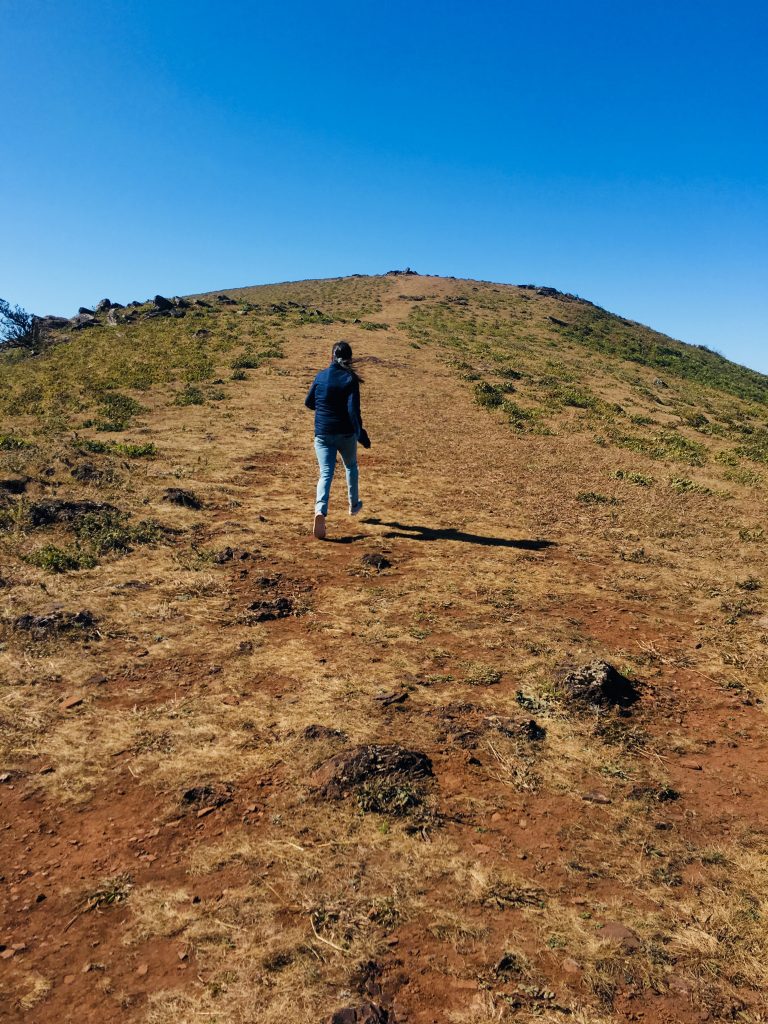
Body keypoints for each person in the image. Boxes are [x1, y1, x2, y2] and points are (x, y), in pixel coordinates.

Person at [305, 341, 370, 540]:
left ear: (331, 357)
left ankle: (320, 510)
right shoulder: (350, 379)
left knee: (326, 473)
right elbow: (353, 411)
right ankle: (353, 505)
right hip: (345, 434)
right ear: (349, 359)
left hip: (323, 433)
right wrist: (361, 435)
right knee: (350, 467)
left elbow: (309, 403)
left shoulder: (320, 376)